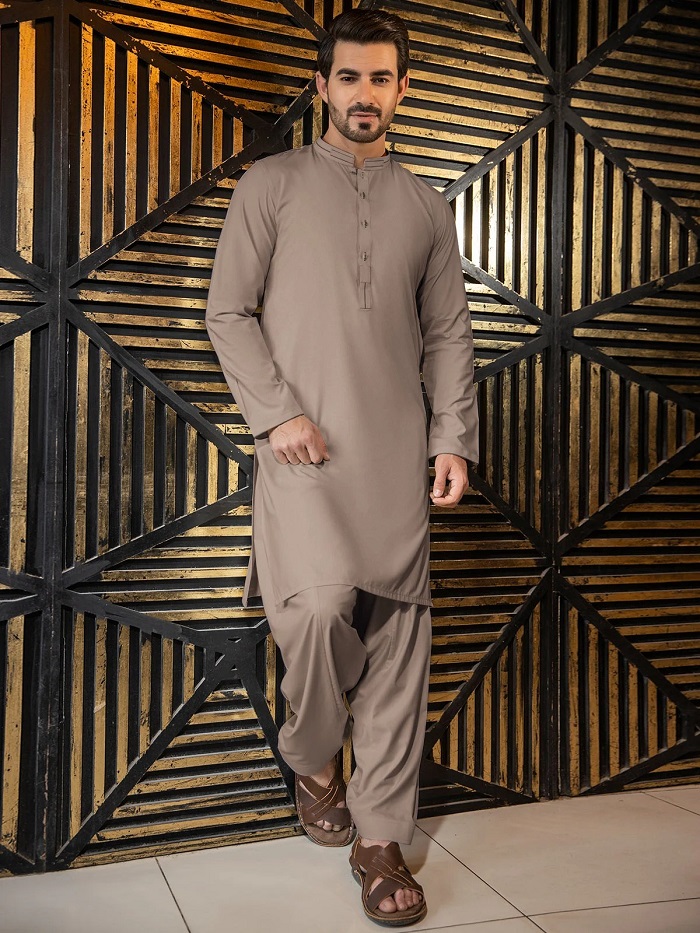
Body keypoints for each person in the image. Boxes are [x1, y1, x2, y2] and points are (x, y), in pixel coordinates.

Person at [205, 8, 478, 926]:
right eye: (349, 77)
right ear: (321, 86)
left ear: (403, 88)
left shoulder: (426, 206)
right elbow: (227, 312)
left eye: (382, 78)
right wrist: (276, 413)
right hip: (304, 452)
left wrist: (452, 438)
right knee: (318, 611)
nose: (366, 94)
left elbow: (448, 335)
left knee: (400, 641)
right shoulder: (271, 185)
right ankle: (313, 753)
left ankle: (379, 841)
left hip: (398, 456)